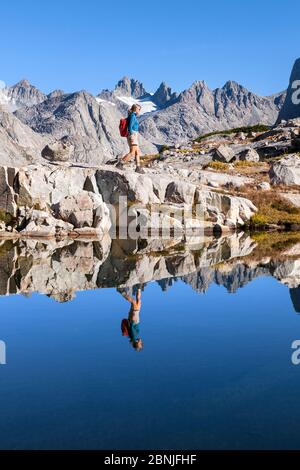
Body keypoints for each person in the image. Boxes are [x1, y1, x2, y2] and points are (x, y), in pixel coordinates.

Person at [117, 104, 145, 173]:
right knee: (132, 152)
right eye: (139, 109)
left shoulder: (132, 115)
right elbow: (130, 126)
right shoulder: (132, 115)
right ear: (135, 109)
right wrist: (131, 135)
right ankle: (120, 164)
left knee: (137, 152)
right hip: (132, 135)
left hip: (134, 135)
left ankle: (138, 167)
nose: (139, 111)